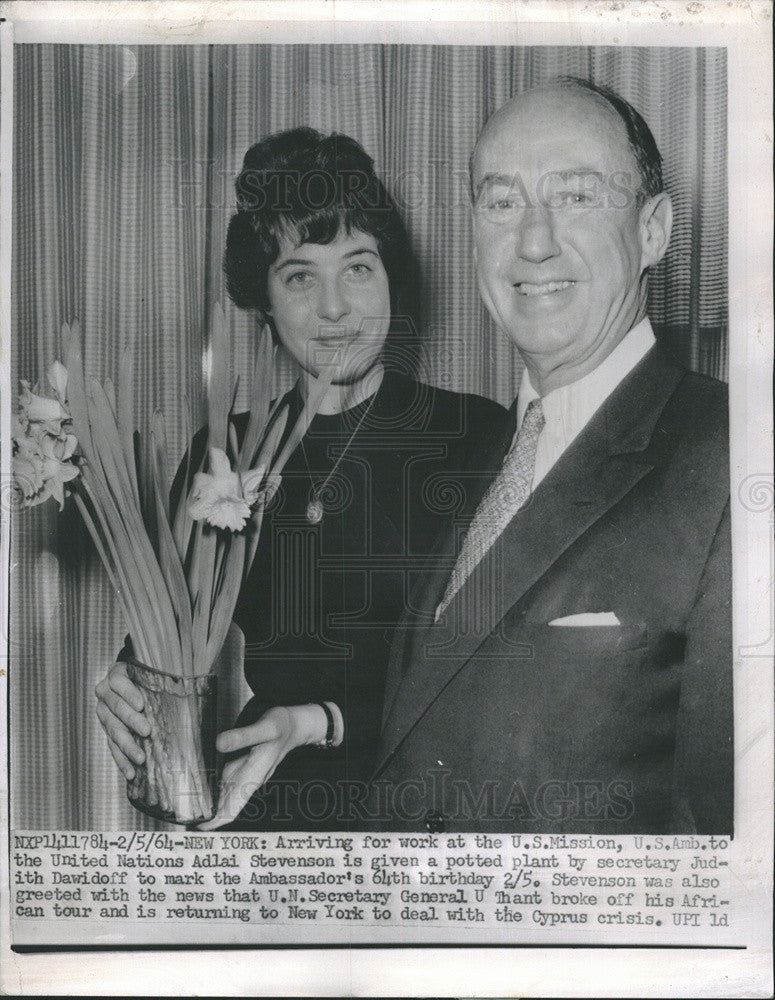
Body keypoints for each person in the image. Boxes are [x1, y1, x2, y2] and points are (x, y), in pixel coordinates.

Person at [95, 127, 506, 830]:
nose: (335, 308)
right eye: (298, 277)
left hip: (426, 806)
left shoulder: (477, 436)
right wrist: (127, 688)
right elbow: (164, 647)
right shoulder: (220, 453)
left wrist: (321, 719)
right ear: (263, 300)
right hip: (264, 803)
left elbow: (494, 670)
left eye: (357, 267)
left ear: (390, 277)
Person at [368, 78, 732, 835]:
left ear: (654, 231)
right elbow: (431, 718)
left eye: (574, 197)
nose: (532, 242)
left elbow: (720, 846)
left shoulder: (733, 460)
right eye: (500, 202)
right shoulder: (468, 457)